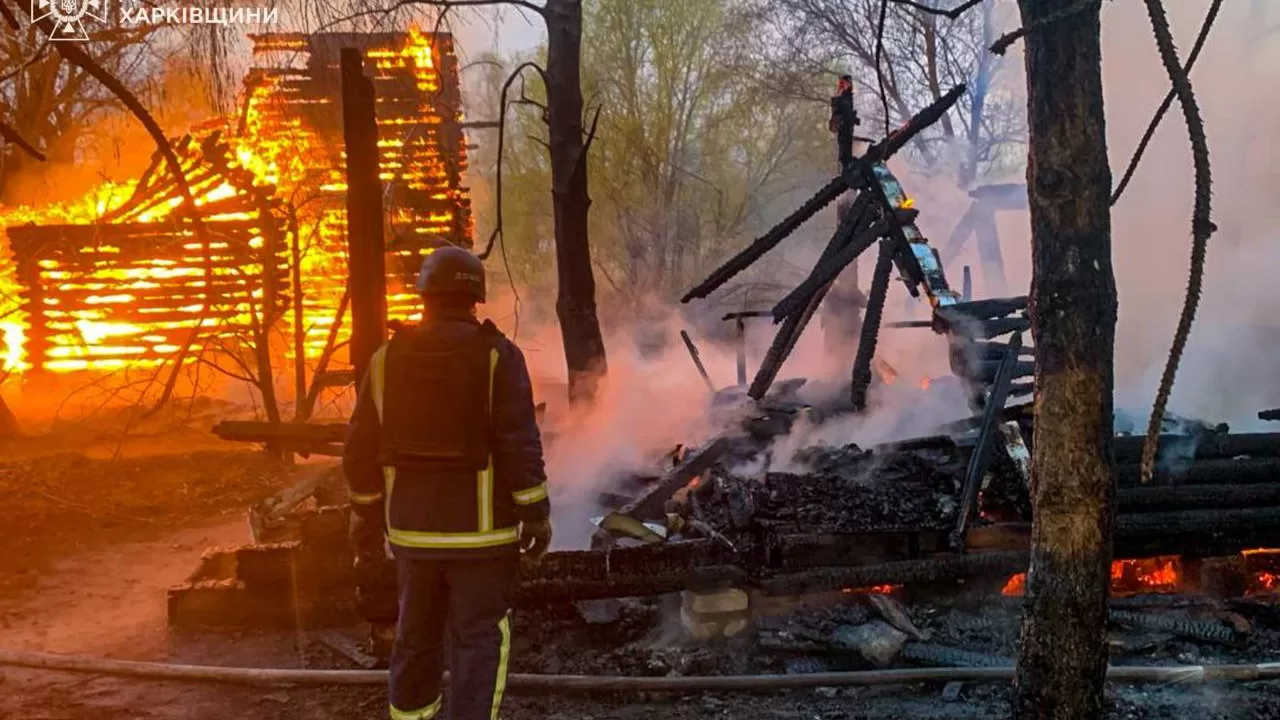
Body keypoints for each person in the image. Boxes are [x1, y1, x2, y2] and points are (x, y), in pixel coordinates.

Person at [343, 245, 552, 720]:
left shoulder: (385, 360)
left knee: (415, 635)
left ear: (424, 294)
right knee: (478, 639)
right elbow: (520, 443)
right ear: (475, 297)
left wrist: (367, 514)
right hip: (484, 538)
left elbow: (359, 450)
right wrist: (536, 514)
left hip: (413, 538)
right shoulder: (499, 356)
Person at [829, 74, 860, 171]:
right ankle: (846, 166)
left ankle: (848, 165)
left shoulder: (849, 96)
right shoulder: (840, 97)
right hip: (843, 128)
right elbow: (836, 115)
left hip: (848, 128)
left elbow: (846, 113)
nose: (849, 85)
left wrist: (853, 119)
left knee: (847, 149)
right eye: (846, 82)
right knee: (844, 150)